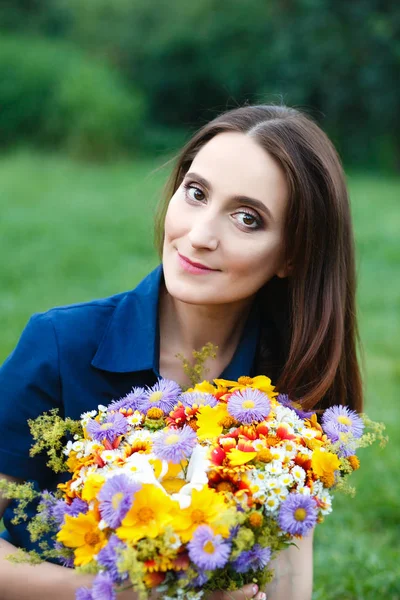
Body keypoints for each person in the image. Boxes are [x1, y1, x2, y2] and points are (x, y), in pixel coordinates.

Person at [0, 104, 363, 600]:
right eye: (196, 194)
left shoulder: (292, 372)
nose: (199, 235)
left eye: (246, 218)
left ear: (294, 253)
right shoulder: (61, 344)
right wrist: (125, 594)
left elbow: (288, 566)